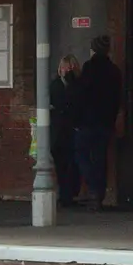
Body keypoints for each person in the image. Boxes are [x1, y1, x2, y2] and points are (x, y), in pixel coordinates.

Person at [74, 35, 122, 210]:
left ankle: (93, 188)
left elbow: (82, 94)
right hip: (106, 122)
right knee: (100, 158)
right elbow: (117, 98)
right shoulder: (114, 70)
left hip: (88, 121)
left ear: (93, 49)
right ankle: (98, 194)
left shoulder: (89, 68)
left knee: (80, 153)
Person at [49, 54, 83, 208]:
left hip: (73, 129)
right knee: (61, 164)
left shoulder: (77, 85)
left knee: (73, 164)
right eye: (64, 67)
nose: (66, 70)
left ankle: (70, 194)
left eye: (69, 67)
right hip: (58, 132)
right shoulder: (55, 85)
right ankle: (65, 195)